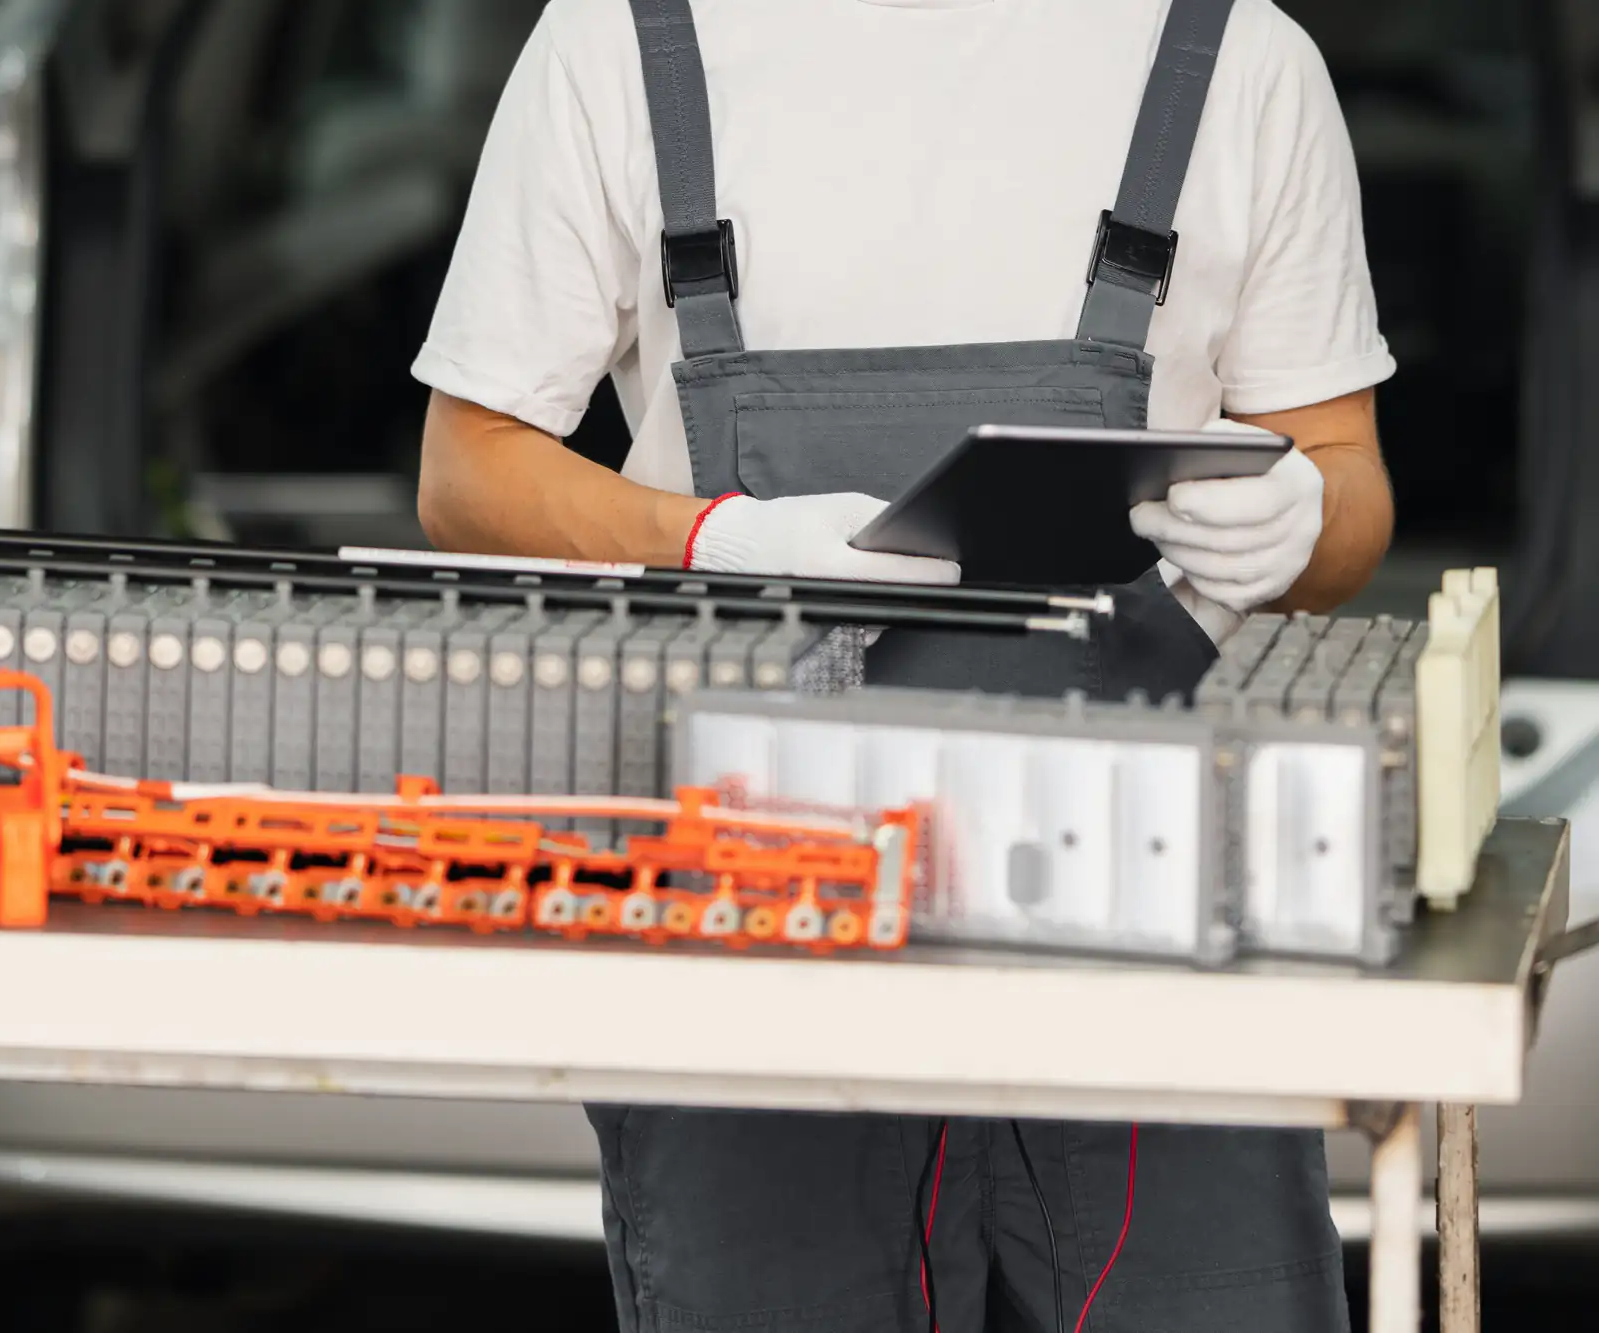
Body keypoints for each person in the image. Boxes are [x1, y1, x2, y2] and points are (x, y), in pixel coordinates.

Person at [411, 1, 1396, 1330]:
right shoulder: (627, 42)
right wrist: (710, 535)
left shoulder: (1234, 53)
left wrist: (1304, 516)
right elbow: (467, 471)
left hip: (1145, 921)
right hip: (753, 916)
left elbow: (1346, 483)